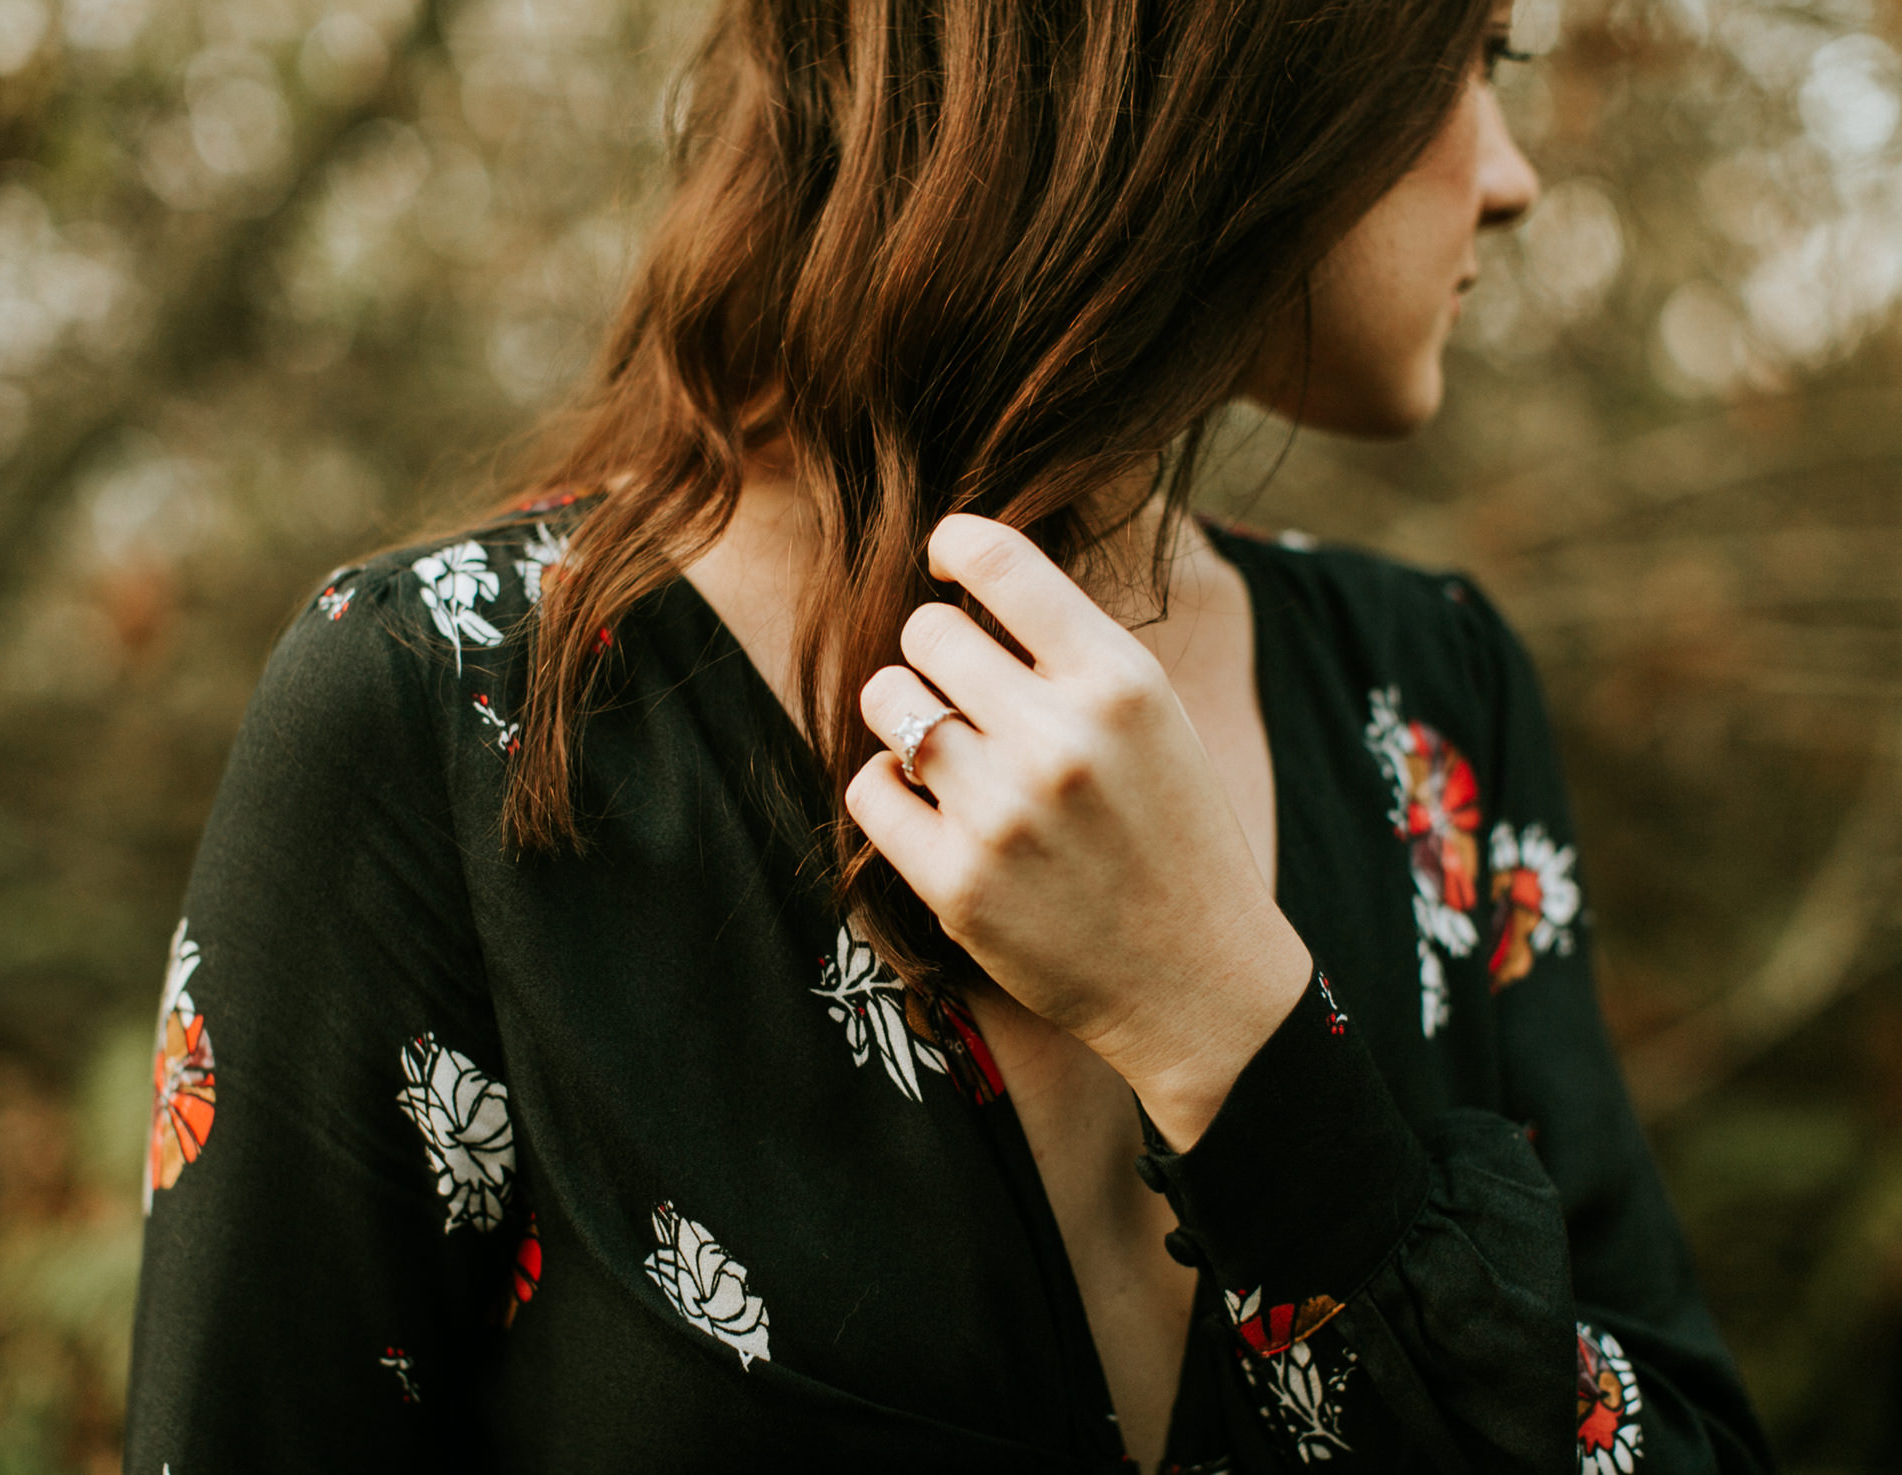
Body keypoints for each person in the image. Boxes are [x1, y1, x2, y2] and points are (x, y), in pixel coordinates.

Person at [125, 0, 1776, 1470]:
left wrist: (1231, 1027)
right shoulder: (456, 712)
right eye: (1472, 60)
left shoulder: (1433, 695)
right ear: (1237, 62)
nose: (1510, 176)